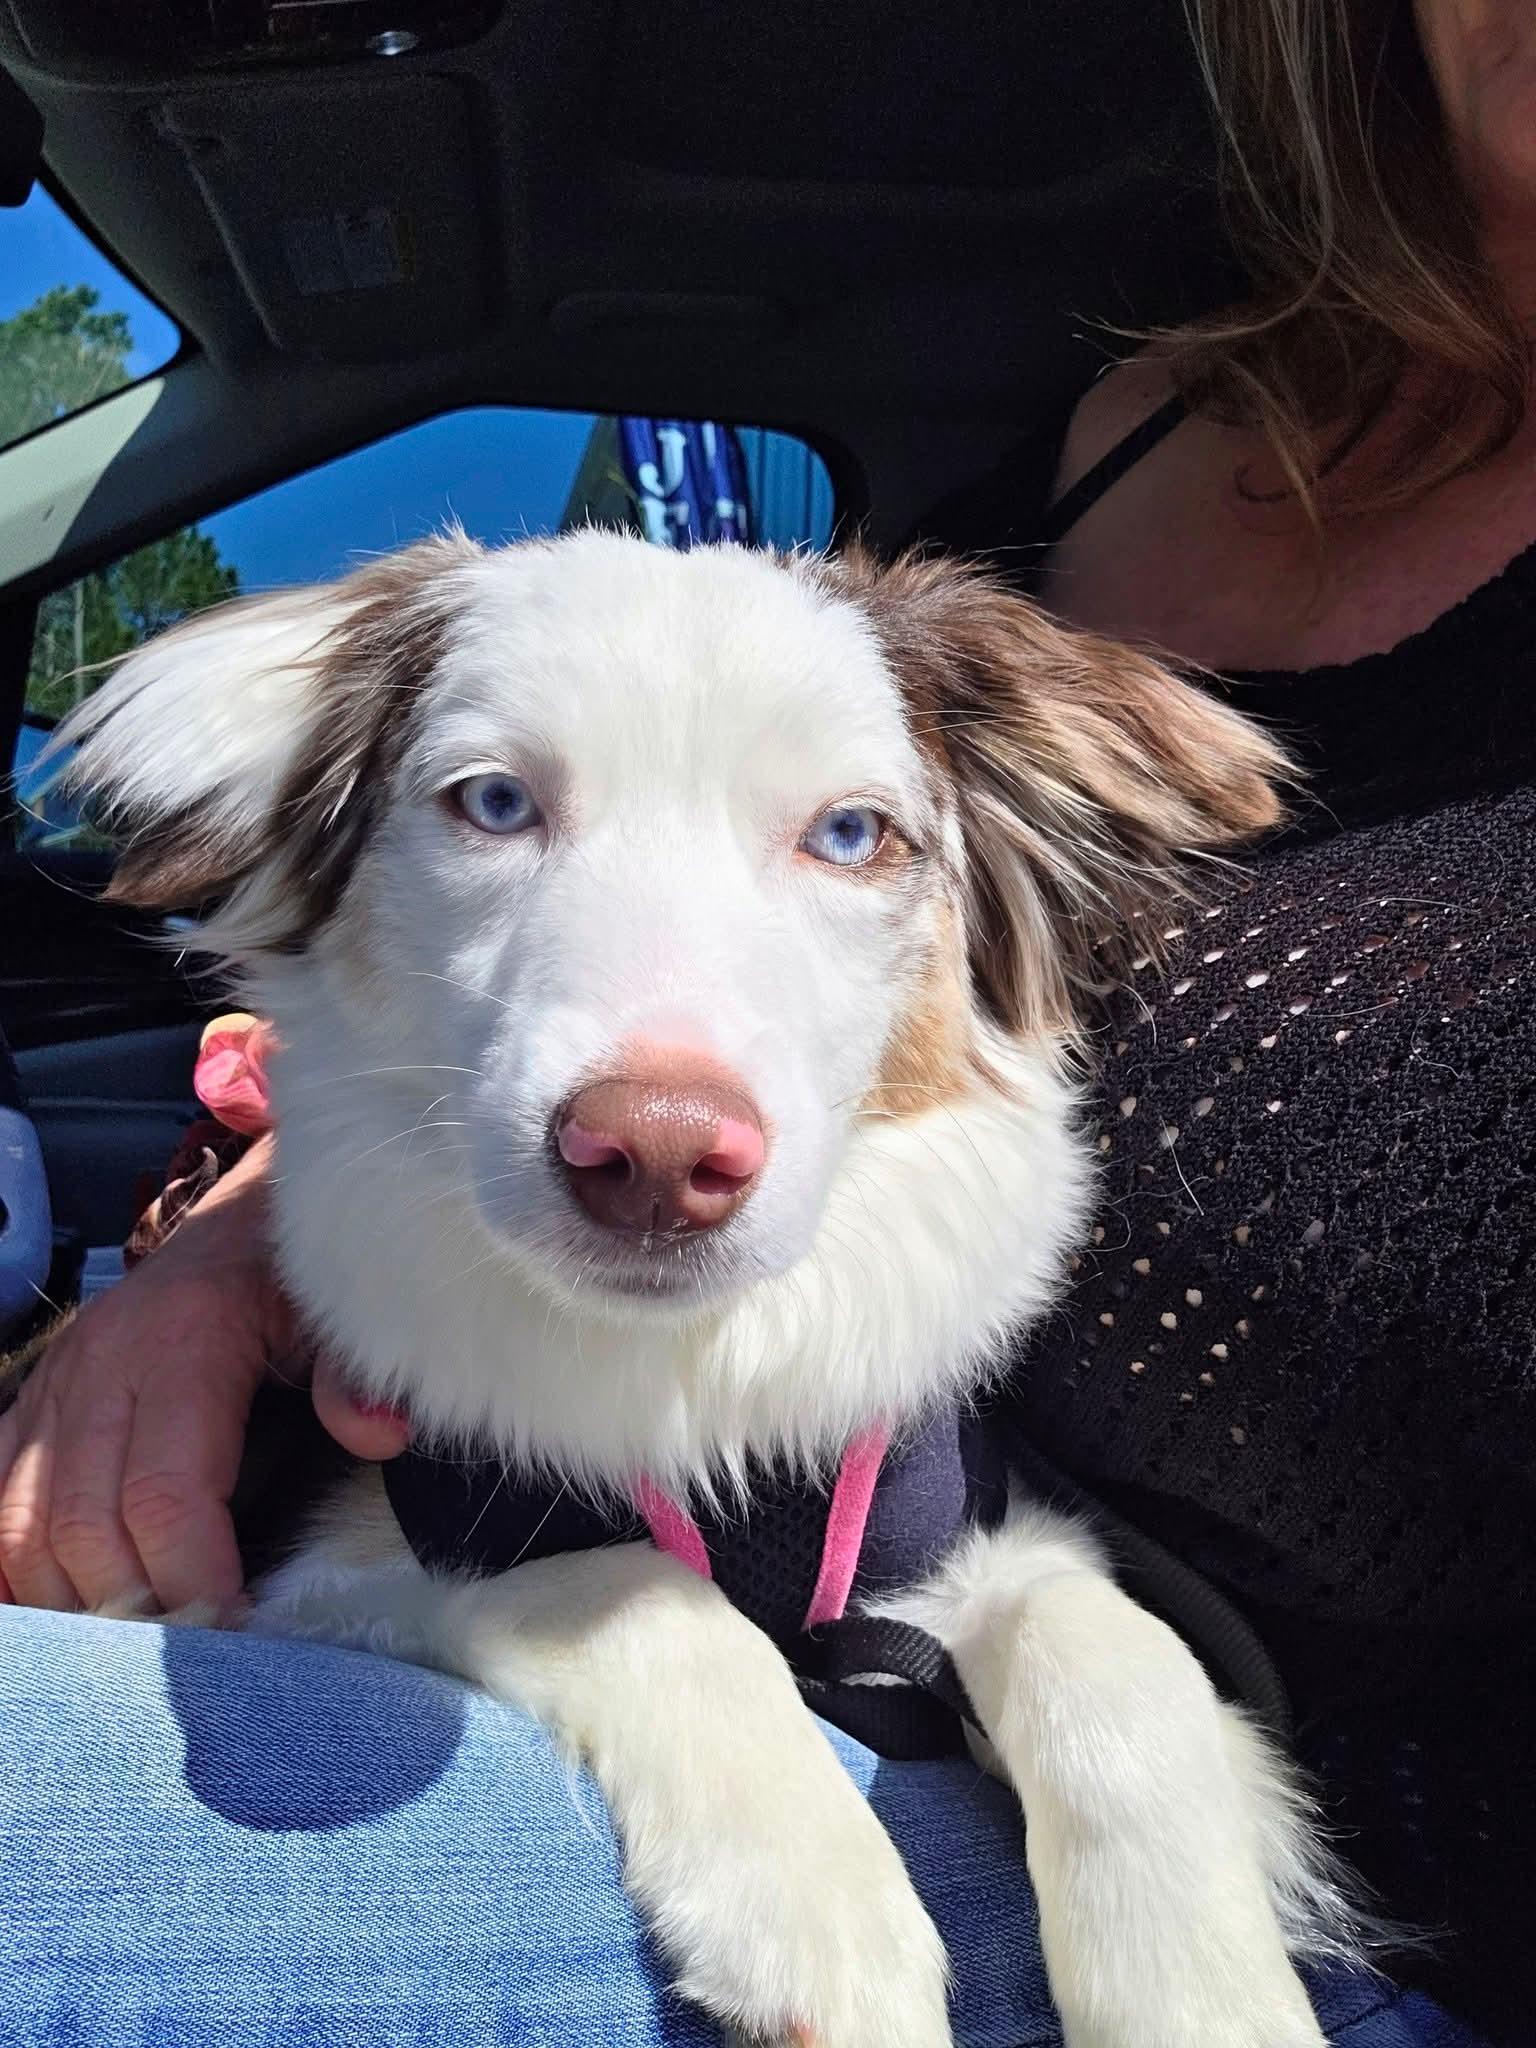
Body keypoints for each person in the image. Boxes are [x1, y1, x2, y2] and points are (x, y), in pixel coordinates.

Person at [2, 1, 1532, 2041]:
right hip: (829, 1666)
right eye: (493, 800)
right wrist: (224, 1254)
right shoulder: (1102, 456)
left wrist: (1119, 1760)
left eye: (844, 836)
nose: (657, 1108)